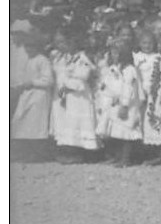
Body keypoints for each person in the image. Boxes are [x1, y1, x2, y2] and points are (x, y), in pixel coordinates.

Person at [50, 29, 99, 164]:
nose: (63, 45)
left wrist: (67, 88)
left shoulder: (82, 58)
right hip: (63, 94)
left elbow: (83, 77)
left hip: (77, 95)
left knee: (76, 122)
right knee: (64, 122)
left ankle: (79, 153)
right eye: (60, 42)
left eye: (66, 42)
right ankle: (67, 151)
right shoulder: (61, 57)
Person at [95, 38, 143, 167]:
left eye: (117, 53)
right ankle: (117, 156)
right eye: (112, 53)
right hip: (114, 103)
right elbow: (107, 83)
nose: (114, 56)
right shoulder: (113, 68)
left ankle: (126, 159)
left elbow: (129, 88)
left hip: (126, 105)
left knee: (126, 131)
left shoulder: (129, 69)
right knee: (115, 131)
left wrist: (125, 105)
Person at [10, 31, 54, 162]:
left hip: (39, 96)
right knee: (21, 121)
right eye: (27, 47)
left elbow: (49, 81)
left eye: (31, 46)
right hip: (27, 94)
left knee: (36, 124)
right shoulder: (29, 60)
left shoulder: (43, 60)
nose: (28, 49)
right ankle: (25, 152)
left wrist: (32, 83)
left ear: (37, 47)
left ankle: (38, 155)